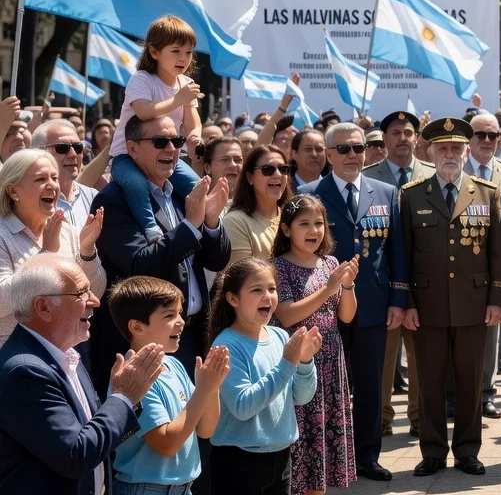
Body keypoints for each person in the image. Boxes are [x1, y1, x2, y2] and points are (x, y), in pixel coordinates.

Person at [0, 255, 165, 495]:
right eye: (81, 293)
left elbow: (94, 437)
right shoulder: (24, 371)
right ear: (43, 307)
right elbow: (76, 455)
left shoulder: (67, 356)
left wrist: (129, 399)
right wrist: (123, 397)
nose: (95, 301)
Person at [91, 114, 231, 394]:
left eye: (176, 140)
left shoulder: (182, 194)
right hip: (143, 345)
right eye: (159, 141)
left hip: (191, 335)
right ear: (132, 149)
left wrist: (212, 222)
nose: (170, 148)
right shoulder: (111, 201)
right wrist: (191, 225)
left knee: (195, 429)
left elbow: (216, 261)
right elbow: (140, 265)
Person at [400, 117, 501, 477]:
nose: (450, 154)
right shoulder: (412, 195)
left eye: (456, 148)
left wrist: (497, 298)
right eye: (442, 148)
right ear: (430, 152)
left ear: (466, 151)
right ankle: (432, 451)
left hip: (474, 305)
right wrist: (407, 303)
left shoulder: (487, 192)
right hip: (427, 306)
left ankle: (467, 450)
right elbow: (404, 254)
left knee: (470, 383)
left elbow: (498, 254)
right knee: (429, 383)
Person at [300, 123, 405, 482]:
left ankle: (367, 456)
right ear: (328, 154)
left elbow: (397, 252)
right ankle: (330, 456)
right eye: (343, 149)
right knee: (327, 386)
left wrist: (399, 300)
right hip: (324, 307)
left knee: (371, 386)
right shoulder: (309, 192)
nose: (352, 156)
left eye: (358, 148)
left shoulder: (387, 192)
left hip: (373, 304)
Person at [206, 257, 321, 495]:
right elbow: (242, 406)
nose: (267, 296)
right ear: (232, 298)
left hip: (281, 455)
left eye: (272, 289)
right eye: (256, 290)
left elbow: (301, 397)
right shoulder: (227, 345)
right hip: (239, 460)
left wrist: (305, 361)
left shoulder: (279, 336)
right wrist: (287, 364)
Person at [108, 276, 230, 495]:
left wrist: (212, 387)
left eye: (180, 313)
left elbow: (206, 430)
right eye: (169, 315)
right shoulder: (132, 377)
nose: (181, 321)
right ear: (137, 327)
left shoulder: (173, 364)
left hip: (183, 488)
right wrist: (203, 390)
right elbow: (166, 444)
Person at [271, 196, 358, 495]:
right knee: (300, 443)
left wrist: (345, 285)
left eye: (319, 223)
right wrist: (329, 287)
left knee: (322, 448)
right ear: (286, 229)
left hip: (333, 361)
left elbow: (346, 315)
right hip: (299, 362)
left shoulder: (331, 263)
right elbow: (286, 313)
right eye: (304, 224)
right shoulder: (277, 267)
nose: (313, 230)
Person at [361, 112, 433, 439]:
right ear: (384, 139)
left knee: (421, 358)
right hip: (382, 282)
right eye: (395, 132)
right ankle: (382, 418)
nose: (402, 138)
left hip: (423, 282)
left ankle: (419, 417)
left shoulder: (432, 176)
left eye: (408, 132)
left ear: (417, 138)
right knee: (382, 359)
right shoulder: (366, 177)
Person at [108, 16, 205, 241]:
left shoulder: (186, 85)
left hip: (169, 155)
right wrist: (178, 99)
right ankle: (151, 231)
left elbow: (193, 121)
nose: (184, 58)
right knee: (135, 184)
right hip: (126, 157)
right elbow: (144, 112)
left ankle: (205, 225)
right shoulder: (141, 79)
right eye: (176, 51)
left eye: (189, 52)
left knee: (197, 186)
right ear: (154, 52)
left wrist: (195, 137)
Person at [0, 149, 106, 346]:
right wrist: (46, 255)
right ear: (13, 191)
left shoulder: (68, 231)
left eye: (54, 178)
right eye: (40, 179)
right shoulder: (2, 234)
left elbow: (95, 293)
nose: (52, 186)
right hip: (13, 354)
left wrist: (86, 250)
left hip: (67, 351)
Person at [463, 112, 501, 419]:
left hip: (499, 268)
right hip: (460, 267)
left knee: (491, 337)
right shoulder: (451, 168)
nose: (487, 141)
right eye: (480, 135)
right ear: (468, 138)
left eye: (494, 135)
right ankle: (454, 395)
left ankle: (486, 393)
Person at [224, 146, 291, 265]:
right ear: (250, 177)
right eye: (267, 169)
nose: (277, 174)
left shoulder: (293, 216)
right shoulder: (236, 221)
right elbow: (242, 278)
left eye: (283, 169)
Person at [33, 119, 98, 226]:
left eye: (78, 147)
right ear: (39, 152)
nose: (73, 154)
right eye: (62, 148)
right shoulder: (28, 202)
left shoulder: (93, 197)